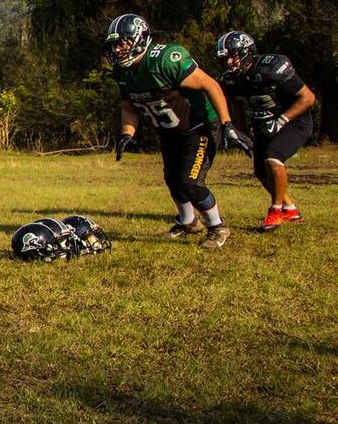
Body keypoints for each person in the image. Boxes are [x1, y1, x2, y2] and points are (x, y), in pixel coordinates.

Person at [105, 14, 253, 250]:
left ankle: (217, 226)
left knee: (190, 182)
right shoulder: (122, 71)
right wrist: (126, 133)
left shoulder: (166, 59)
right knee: (172, 179)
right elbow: (128, 107)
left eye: (122, 42)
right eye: (114, 44)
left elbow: (210, 85)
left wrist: (227, 123)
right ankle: (189, 222)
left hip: (199, 125)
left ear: (140, 39)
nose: (118, 49)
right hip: (170, 131)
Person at [215, 31, 316, 231]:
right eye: (224, 57)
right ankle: (290, 209)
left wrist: (281, 120)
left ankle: (276, 210)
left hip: (294, 121)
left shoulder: (272, 68)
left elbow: (308, 98)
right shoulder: (231, 80)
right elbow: (237, 105)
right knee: (261, 172)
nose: (228, 62)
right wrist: (241, 130)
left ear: (246, 52)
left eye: (231, 56)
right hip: (263, 125)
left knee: (273, 158)